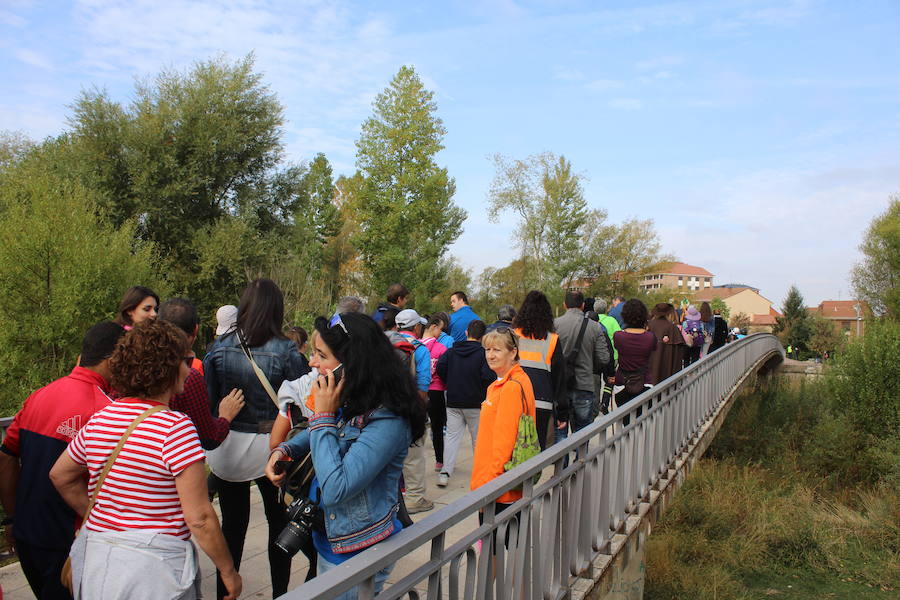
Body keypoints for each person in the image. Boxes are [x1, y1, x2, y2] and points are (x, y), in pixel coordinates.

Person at [49, 320, 241, 600]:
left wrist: (106, 519)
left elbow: (60, 475)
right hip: (155, 571)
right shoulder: (175, 428)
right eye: (185, 361)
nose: (189, 369)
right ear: (168, 368)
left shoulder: (102, 418)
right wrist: (227, 570)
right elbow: (199, 517)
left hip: (98, 564)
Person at [265, 312, 427, 600]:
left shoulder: (388, 420)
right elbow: (329, 428)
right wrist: (286, 449)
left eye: (321, 355)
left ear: (352, 363)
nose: (312, 362)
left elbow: (337, 488)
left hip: (357, 551)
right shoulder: (356, 397)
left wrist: (324, 414)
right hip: (331, 539)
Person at [0, 321, 124, 600]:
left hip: (28, 533)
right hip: (70, 542)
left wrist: (12, 518)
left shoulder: (38, 396)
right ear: (113, 359)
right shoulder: (106, 412)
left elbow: (6, 459)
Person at [203, 278, 308, 599]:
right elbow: (301, 400)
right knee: (279, 526)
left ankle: (227, 592)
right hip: (272, 447)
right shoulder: (287, 350)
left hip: (228, 449)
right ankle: (279, 593)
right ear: (276, 309)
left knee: (232, 528)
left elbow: (210, 406)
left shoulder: (218, 349)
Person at [470, 327, 536, 528]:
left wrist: (490, 488)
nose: (490, 355)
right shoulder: (514, 380)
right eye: (487, 350)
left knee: (494, 550)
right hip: (502, 484)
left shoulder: (510, 388)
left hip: (498, 489)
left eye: (497, 350)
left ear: (513, 352)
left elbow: (504, 443)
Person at [159, 298, 245, 450]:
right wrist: (225, 416)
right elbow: (209, 438)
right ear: (196, 330)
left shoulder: (132, 368)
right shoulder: (189, 378)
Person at [435, 319, 495, 488]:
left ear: (467, 333)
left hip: (453, 400)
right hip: (475, 402)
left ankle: (445, 473)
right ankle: (481, 473)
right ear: (483, 337)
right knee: (478, 439)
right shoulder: (483, 354)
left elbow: (440, 367)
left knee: (452, 438)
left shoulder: (452, 351)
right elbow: (488, 376)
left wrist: (449, 382)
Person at [513, 290, 567, 450]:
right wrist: (562, 412)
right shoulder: (552, 340)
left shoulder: (513, 336)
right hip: (541, 403)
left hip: (516, 399)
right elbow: (559, 378)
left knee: (514, 450)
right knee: (537, 452)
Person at [554, 291, 612, 434]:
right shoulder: (595, 327)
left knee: (560, 432)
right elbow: (604, 358)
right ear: (583, 305)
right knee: (581, 433)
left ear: (564, 304)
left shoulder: (555, 325)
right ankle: (581, 456)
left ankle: (562, 457)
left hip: (560, 386)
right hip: (584, 383)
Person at [394, 308, 434, 514]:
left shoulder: (385, 343)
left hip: (386, 409)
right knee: (414, 455)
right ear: (417, 327)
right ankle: (415, 498)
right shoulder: (420, 349)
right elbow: (423, 387)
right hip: (410, 409)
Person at [612, 299, 658, 422]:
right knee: (641, 423)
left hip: (622, 384)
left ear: (625, 316)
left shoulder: (618, 336)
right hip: (645, 383)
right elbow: (653, 349)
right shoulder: (650, 337)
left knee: (625, 422)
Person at [421, 315, 449, 473]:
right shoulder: (441, 348)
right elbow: (444, 369)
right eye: (440, 328)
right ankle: (439, 460)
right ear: (433, 327)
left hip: (420, 390)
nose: (441, 332)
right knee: (437, 427)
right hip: (437, 390)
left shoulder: (416, 346)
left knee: (418, 426)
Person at [647, 303, 685, 384]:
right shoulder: (673, 328)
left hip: (649, 371)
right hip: (667, 372)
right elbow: (680, 351)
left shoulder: (649, 326)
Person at [595, 299, 621, 415]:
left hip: (595, 357)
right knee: (609, 380)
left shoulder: (591, 320)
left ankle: (595, 403)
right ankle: (605, 402)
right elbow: (619, 335)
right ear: (606, 309)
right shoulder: (611, 321)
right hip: (611, 356)